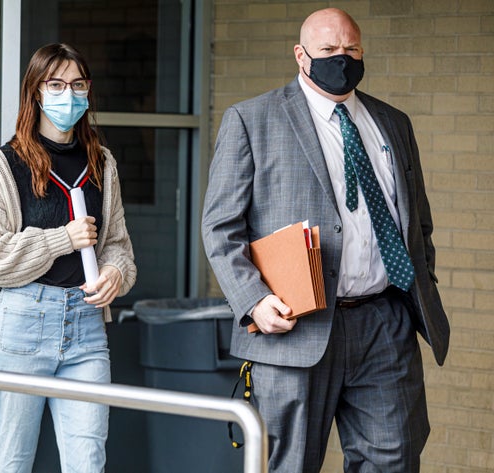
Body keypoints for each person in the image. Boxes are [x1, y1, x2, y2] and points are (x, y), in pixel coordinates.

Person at [201, 8, 449, 473]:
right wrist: (253, 301)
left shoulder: (393, 123)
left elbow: (419, 223)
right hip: (297, 327)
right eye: (328, 50)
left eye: (351, 49)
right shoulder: (251, 120)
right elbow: (220, 227)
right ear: (301, 55)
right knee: (288, 464)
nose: (342, 58)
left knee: (394, 459)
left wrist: (416, 282)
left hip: (383, 323)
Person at [0, 43, 136, 473]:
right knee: (13, 463)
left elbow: (117, 243)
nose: (69, 94)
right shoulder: (4, 163)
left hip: (86, 328)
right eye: (56, 84)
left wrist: (115, 271)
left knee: (88, 463)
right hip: (23, 321)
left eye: (78, 85)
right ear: (35, 92)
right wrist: (61, 239)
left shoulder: (101, 162)